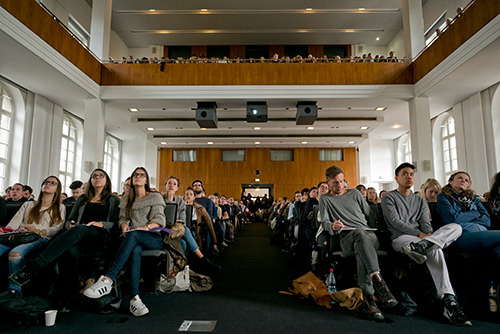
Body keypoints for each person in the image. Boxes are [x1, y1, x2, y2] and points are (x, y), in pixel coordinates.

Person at [9, 170, 120, 308]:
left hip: (100, 237)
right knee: (70, 251)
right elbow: (69, 220)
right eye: (94, 176)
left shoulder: (113, 199)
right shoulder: (82, 199)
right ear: (91, 180)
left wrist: (102, 224)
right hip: (79, 236)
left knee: (80, 229)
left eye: (100, 175)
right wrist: (71, 225)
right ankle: (63, 297)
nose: (97, 177)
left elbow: (116, 223)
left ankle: (35, 266)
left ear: (107, 180)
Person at [381, 163, 470, 326]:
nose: (409, 176)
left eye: (411, 174)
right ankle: (449, 300)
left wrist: (428, 235)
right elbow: (395, 221)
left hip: (421, 241)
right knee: (435, 248)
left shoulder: (420, 201)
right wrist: (420, 235)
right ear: (396, 178)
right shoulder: (389, 197)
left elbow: (425, 223)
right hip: (401, 239)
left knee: (456, 228)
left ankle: (426, 246)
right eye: (404, 174)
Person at [83, 167, 166, 317]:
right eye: (135, 175)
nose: (138, 177)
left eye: (141, 175)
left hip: (152, 237)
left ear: (146, 180)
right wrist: (124, 225)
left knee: (134, 236)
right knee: (135, 249)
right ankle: (135, 299)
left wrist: (144, 228)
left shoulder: (155, 197)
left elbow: (159, 220)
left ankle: (108, 278)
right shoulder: (126, 199)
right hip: (133, 238)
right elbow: (122, 218)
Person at [320, 166, 397, 320]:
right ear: (328, 183)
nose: (340, 185)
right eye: (336, 183)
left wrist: (374, 229)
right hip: (347, 237)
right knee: (359, 236)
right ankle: (380, 284)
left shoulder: (355, 193)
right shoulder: (325, 199)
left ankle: (369, 301)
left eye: (342, 181)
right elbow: (325, 223)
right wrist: (333, 226)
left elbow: (369, 215)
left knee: (361, 244)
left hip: (368, 236)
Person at [2, 176, 65, 295]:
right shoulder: (28, 205)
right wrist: (5, 230)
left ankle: (15, 291)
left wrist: (38, 230)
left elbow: (56, 228)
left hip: (39, 238)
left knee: (15, 254)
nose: (48, 184)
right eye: (46, 182)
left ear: (57, 189)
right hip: (19, 235)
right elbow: (14, 223)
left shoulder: (60, 207)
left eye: (52, 183)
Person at [437, 171, 500, 259]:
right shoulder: (444, 197)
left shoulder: (474, 199)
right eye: (459, 178)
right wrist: (476, 213)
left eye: (466, 180)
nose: (463, 180)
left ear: (469, 185)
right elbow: (453, 219)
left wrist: (464, 217)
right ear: (450, 182)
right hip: (461, 235)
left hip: (482, 233)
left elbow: (487, 221)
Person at [164, 176, 220, 271]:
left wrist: (215, 242)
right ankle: (201, 258)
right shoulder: (159, 199)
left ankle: (182, 268)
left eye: (174, 184)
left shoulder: (181, 202)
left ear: (177, 188)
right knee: (185, 230)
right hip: (163, 229)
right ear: (165, 186)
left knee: (184, 242)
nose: (171, 185)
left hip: (179, 230)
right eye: (169, 183)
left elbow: (183, 221)